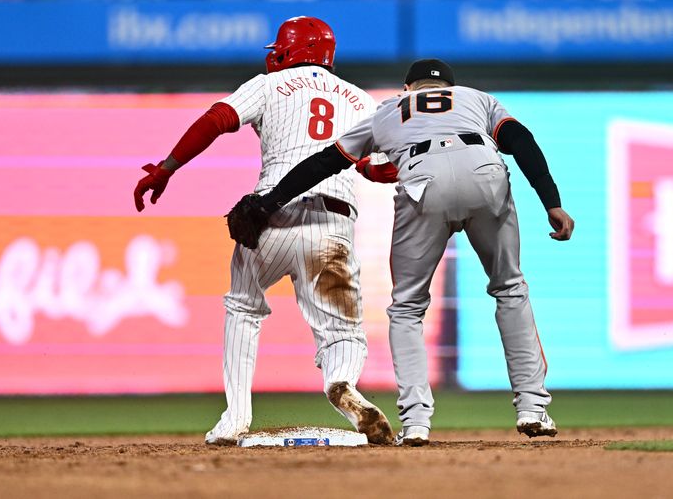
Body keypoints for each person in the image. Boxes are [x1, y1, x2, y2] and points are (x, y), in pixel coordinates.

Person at [239, 58, 575, 446]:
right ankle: (533, 408)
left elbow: (326, 162)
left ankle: (416, 423)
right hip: (484, 172)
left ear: (408, 87)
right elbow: (522, 141)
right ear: (450, 86)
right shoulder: (476, 98)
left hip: (422, 180)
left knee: (408, 307)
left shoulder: (389, 110)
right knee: (510, 288)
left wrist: (271, 201)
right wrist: (552, 202)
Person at [133, 16, 397, 446]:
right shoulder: (363, 100)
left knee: (243, 306)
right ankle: (343, 386)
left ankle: (236, 417)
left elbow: (216, 119)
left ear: (290, 50)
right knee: (342, 332)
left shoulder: (270, 84)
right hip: (333, 225)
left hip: (269, 217)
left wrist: (167, 168)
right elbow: (376, 167)